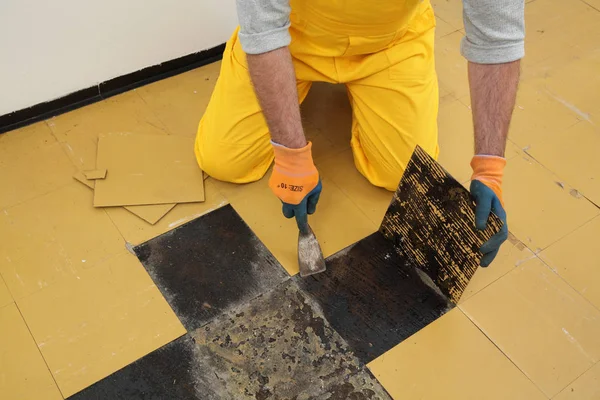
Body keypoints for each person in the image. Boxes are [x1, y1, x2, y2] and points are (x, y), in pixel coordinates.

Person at [195, 0, 524, 267]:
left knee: (400, 174)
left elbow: (497, 40)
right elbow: (264, 30)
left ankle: (365, 89)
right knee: (223, 160)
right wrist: (291, 153)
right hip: (294, 39)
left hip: (390, 43)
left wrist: (489, 168)